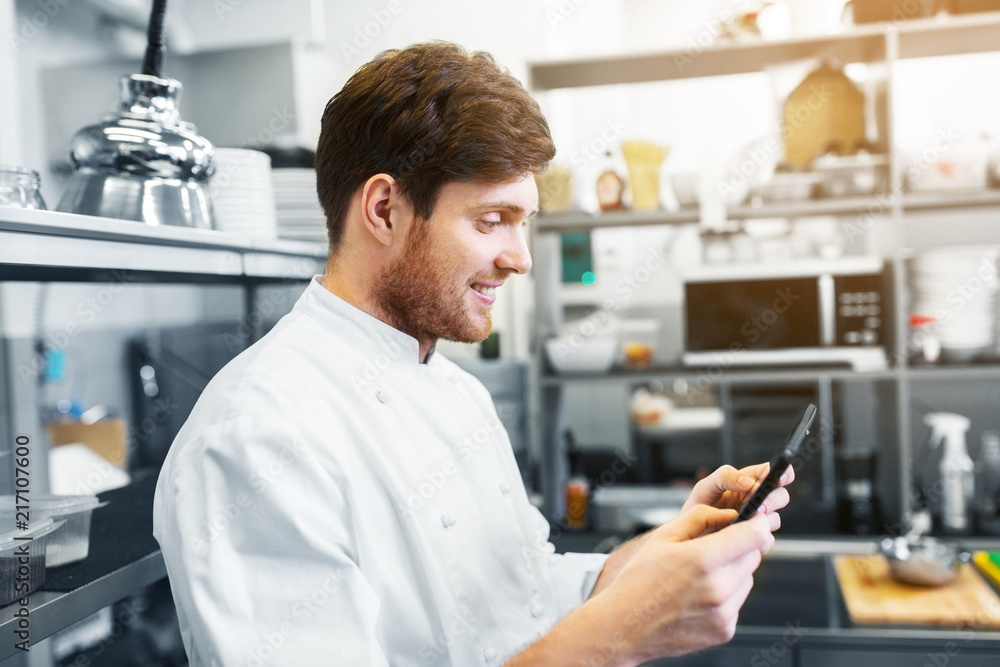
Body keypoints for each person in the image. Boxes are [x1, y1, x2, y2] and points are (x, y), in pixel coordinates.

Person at [152, 41, 791, 666]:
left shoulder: (459, 392)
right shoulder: (256, 439)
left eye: (525, 223)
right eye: (491, 221)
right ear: (384, 210)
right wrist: (617, 639)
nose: (521, 258)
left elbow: (528, 594)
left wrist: (659, 554)